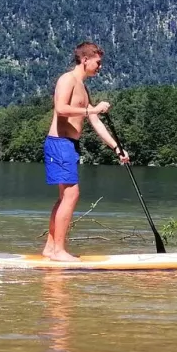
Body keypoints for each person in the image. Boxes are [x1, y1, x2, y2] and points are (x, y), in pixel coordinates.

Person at [43, 41, 130, 262]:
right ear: (85, 60)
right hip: (59, 142)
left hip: (69, 145)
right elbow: (61, 109)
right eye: (98, 62)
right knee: (72, 194)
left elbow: (94, 120)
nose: (100, 67)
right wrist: (91, 109)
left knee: (65, 196)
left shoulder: (83, 87)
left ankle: (51, 248)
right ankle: (59, 252)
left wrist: (116, 147)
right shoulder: (67, 80)